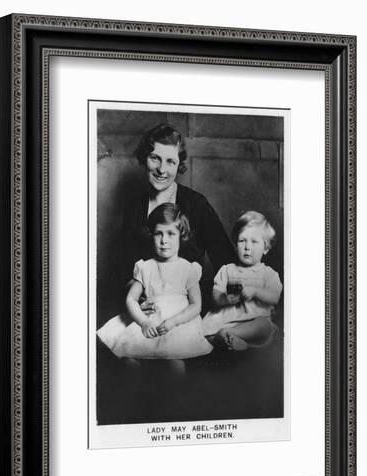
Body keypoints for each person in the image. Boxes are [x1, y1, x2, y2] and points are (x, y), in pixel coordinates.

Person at [119, 124, 235, 301]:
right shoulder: (134, 209)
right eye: (155, 158)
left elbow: (226, 260)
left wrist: (238, 306)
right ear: (144, 158)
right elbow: (124, 270)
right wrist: (137, 303)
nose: (162, 169)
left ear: (179, 164)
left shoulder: (197, 205)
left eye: (170, 161)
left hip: (189, 307)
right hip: (144, 311)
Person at [97, 203, 213, 367]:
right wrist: (143, 322)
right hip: (150, 324)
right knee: (129, 361)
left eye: (171, 234)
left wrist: (174, 321)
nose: (164, 240)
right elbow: (131, 299)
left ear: (182, 235)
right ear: (151, 234)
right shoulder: (145, 267)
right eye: (159, 233)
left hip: (177, 326)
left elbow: (196, 305)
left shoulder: (188, 268)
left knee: (175, 365)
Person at [202, 211, 283, 351]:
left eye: (254, 241)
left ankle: (233, 338)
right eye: (242, 240)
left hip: (252, 322)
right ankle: (229, 339)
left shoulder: (268, 274)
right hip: (226, 320)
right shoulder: (227, 270)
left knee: (264, 325)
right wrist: (225, 299)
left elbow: (275, 297)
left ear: (266, 248)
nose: (247, 247)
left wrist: (256, 291)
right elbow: (216, 295)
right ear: (235, 243)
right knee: (205, 330)